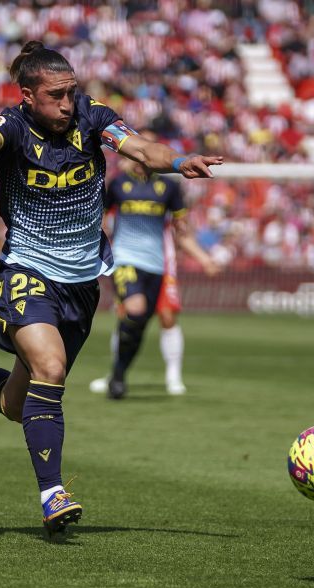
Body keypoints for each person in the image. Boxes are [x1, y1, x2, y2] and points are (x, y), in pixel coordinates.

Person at [0, 41, 222, 535]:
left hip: (83, 282)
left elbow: (141, 149)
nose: (68, 104)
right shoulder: (12, 126)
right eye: (56, 96)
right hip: (26, 269)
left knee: (15, 404)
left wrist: (178, 160)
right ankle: (53, 493)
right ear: (28, 96)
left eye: (72, 92)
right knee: (52, 368)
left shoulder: (93, 118)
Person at [89, 144, 220, 399]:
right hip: (125, 260)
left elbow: (181, 233)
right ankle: (117, 375)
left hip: (157, 265)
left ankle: (118, 374)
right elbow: (99, 220)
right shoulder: (118, 185)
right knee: (135, 310)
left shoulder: (169, 188)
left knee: (140, 323)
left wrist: (204, 259)